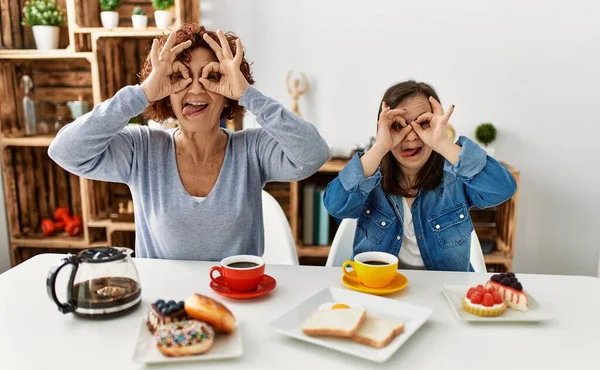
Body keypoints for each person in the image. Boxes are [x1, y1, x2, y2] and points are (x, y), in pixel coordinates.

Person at [48, 24, 330, 261]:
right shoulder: (142, 149)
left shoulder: (252, 150)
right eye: (180, 77)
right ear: (165, 91)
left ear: (228, 91)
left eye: (212, 76)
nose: (196, 88)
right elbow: (65, 151)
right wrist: (142, 93)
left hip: (239, 303)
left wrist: (248, 94)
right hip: (162, 308)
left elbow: (314, 154)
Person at [323, 80, 516, 272]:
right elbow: (335, 205)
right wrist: (380, 147)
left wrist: (442, 143)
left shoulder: (454, 177)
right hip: (378, 290)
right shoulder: (371, 176)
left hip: (443, 292)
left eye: (423, 123)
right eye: (399, 126)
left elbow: (503, 188)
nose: (412, 136)